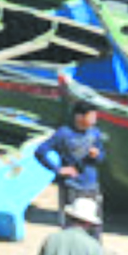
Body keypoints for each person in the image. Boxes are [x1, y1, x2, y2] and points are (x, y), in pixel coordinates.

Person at [36, 101, 107, 235]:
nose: (94, 120)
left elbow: (102, 157)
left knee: (94, 225)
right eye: (91, 116)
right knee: (71, 224)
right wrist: (58, 169)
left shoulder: (95, 134)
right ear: (79, 117)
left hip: (91, 185)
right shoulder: (64, 134)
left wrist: (96, 155)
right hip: (71, 185)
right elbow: (40, 151)